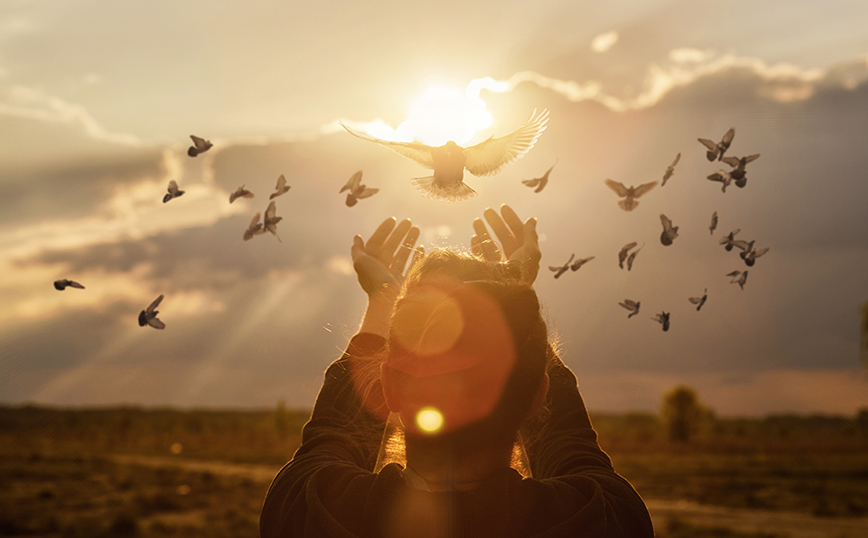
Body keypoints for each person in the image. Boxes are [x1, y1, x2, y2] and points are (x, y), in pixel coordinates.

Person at [259, 205, 654, 538]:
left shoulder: (312, 510)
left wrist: (383, 295)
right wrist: (511, 295)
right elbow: (572, 446)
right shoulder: (601, 517)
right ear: (539, 396)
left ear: (388, 388)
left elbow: (332, 434)